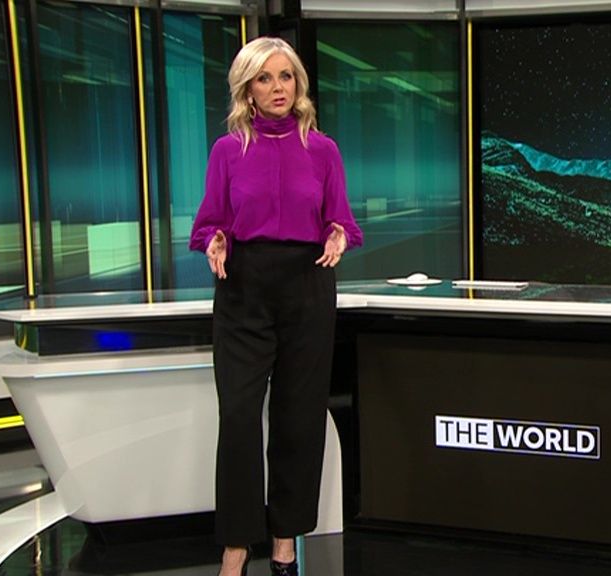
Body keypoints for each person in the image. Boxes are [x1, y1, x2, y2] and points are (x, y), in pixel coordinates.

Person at [189, 36, 363, 576]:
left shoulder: (323, 149)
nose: (277, 87)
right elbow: (210, 221)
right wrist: (216, 239)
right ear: (248, 89)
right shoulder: (228, 150)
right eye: (264, 78)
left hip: (307, 285)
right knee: (239, 415)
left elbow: (341, 217)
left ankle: (285, 543)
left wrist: (337, 233)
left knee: (298, 416)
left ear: (298, 84)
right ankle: (237, 547)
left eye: (285, 76)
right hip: (243, 288)